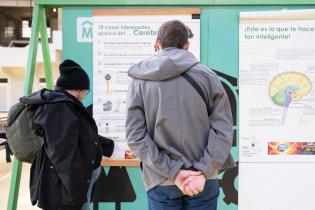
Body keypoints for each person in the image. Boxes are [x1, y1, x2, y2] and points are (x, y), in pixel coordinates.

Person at [126, 20, 235, 210]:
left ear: (157, 44)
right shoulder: (208, 77)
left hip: (160, 180)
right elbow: (223, 131)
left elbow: (135, 136)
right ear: (187, 45)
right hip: (203, 179)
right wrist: (202, 171)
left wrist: (173, 172)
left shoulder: (139, 81)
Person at [22, 59, 114, 210]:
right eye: (86, 90)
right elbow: (64, 156)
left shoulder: (67, 106)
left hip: (76, 183)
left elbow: (79, 134)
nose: (86, 94)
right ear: (78, 89)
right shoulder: (60, 108)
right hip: (69, 191)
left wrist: (106, 145)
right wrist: (75, 195)